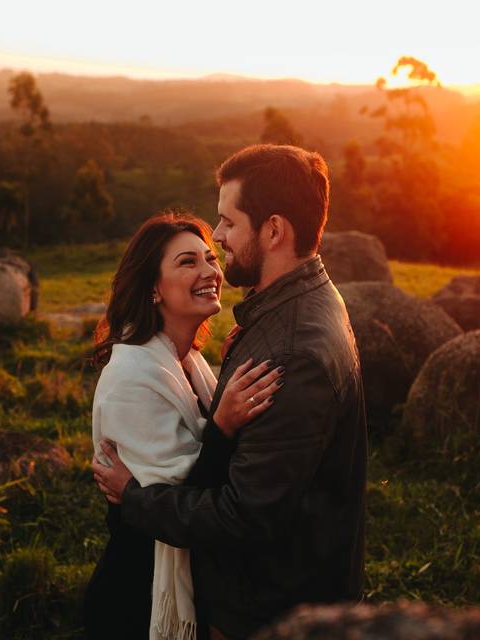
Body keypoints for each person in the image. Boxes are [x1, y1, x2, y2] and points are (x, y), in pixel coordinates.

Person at [93, 144, 368, 639]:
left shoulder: (290, 349)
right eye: (190, 257)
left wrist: (132, 497)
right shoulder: (300, 304)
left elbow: (243, 515)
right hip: (210, 591)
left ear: (274, 230)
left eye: (226, 223)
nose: (218, 239)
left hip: (267, 606)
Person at [83, 212, 283, 640]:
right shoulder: (132, 377)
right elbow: (183, 499)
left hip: (182, 575)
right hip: (135, 599)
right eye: (187, 262)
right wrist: (223, 427)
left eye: (210, 258)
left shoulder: (187, 361)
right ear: (154, 287)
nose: (210, 271)